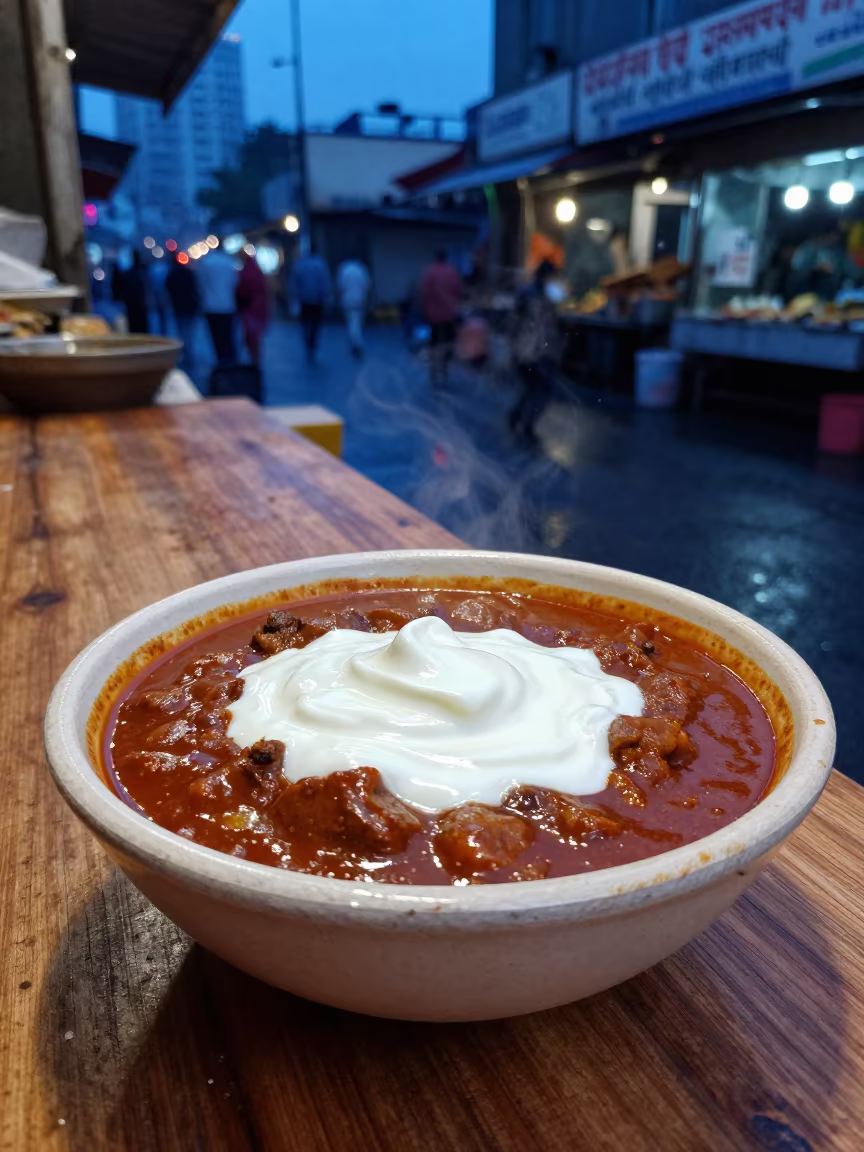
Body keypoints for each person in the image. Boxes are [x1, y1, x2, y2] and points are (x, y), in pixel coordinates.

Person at [509, 260, 562, 443]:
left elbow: (516, 323)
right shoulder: (535, 296)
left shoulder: (533, 294)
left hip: (530, 351)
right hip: (534, 353)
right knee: (542, 390)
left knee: (533, 388)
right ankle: (526, 425)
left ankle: (517, 416)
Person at [419, 248, 462, 384]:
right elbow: (458, 292)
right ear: (446, 258)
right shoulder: (452, 272)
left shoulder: (429, 272)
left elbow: (424, 293)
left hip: (433, 315)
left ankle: (433, 371)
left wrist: (424, 310)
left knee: (434, 343)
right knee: (447, 343)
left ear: (435, 257)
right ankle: (444, 369)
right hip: (449, 314)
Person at [195, 246, 238, 364]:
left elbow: (201, 283)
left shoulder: (206, 262)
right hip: (228, 305)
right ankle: (229, 363)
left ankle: (221, 361)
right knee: (228, 337)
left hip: (211, 306)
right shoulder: (229, 262)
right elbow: (235, 282)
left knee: (216, 338)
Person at [292, 245, 332, 362]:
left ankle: (307, 342)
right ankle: (312, 344)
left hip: (304, 299)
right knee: (315, 324)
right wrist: (326, 296)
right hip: (317, 300)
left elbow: (295, 281)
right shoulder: (320, 264)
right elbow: (325, 281)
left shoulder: (300, 264)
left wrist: (295, 296)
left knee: (305, 323)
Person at [165, 253, 200, 373]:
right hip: (190, 307)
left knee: (182, 332)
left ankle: (186, 354)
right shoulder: (189, 273)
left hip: (179, 307)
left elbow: (168, 289)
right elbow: (196, 288)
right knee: (189, 333)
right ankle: (189, 355)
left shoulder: (172, 274)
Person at [236, 252, 270, 366]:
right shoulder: (258, 273)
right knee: (256, 336)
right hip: (259, 309)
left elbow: (240, 291)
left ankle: (253, 358)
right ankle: (256, 358)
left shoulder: (243, 273)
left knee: (250, 336)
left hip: (249, 309)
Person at [336, 254, 371, 358]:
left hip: (347, 300)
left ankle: (355, 343)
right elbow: (367, 286)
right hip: (360, 299)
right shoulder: (361, 269)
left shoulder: (344, 270)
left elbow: (340, 286)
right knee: (357, 321)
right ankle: (357, 343)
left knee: (351, 322)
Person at [112, 250, 150, 334]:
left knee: (136, 330)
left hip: (134, 306)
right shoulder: (142, 272)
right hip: (139, 306)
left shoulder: (132, 273)